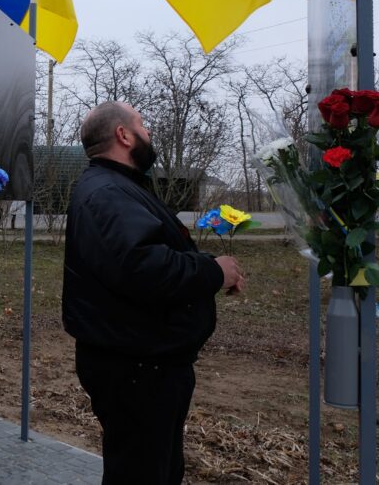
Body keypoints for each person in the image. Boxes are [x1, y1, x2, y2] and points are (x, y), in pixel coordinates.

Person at [63, 102, 245, 484]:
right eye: (142, 126)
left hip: (144, 363)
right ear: (123, 135)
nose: (149, 135)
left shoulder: (117, 187)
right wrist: (212, 271)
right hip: (137, 371)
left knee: (154, 470)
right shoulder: (106, 191)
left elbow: (142, 252)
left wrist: (211, 267)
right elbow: (141, 266)